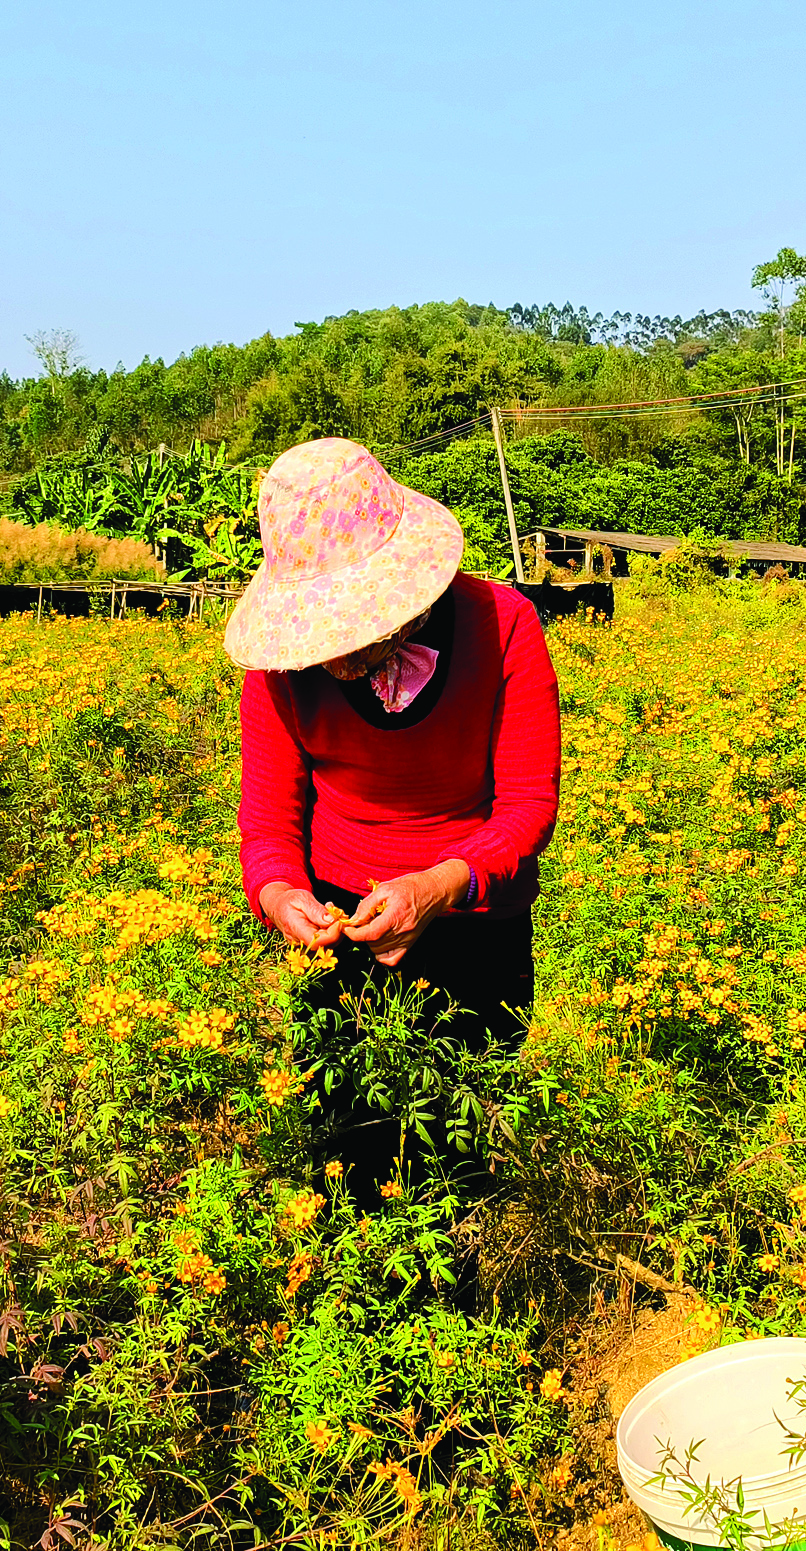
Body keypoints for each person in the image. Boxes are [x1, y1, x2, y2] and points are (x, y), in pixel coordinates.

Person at [229, 437, 560, 1210]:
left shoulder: (501, 626)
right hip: (339, 924)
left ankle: (463, 1320)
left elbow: (526, 809)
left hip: (477, 915)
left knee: (461, 1154)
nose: (331, 655)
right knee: (347, 1148)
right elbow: (269, 829)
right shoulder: (277, 678)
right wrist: (283, 899)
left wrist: (436, 888)